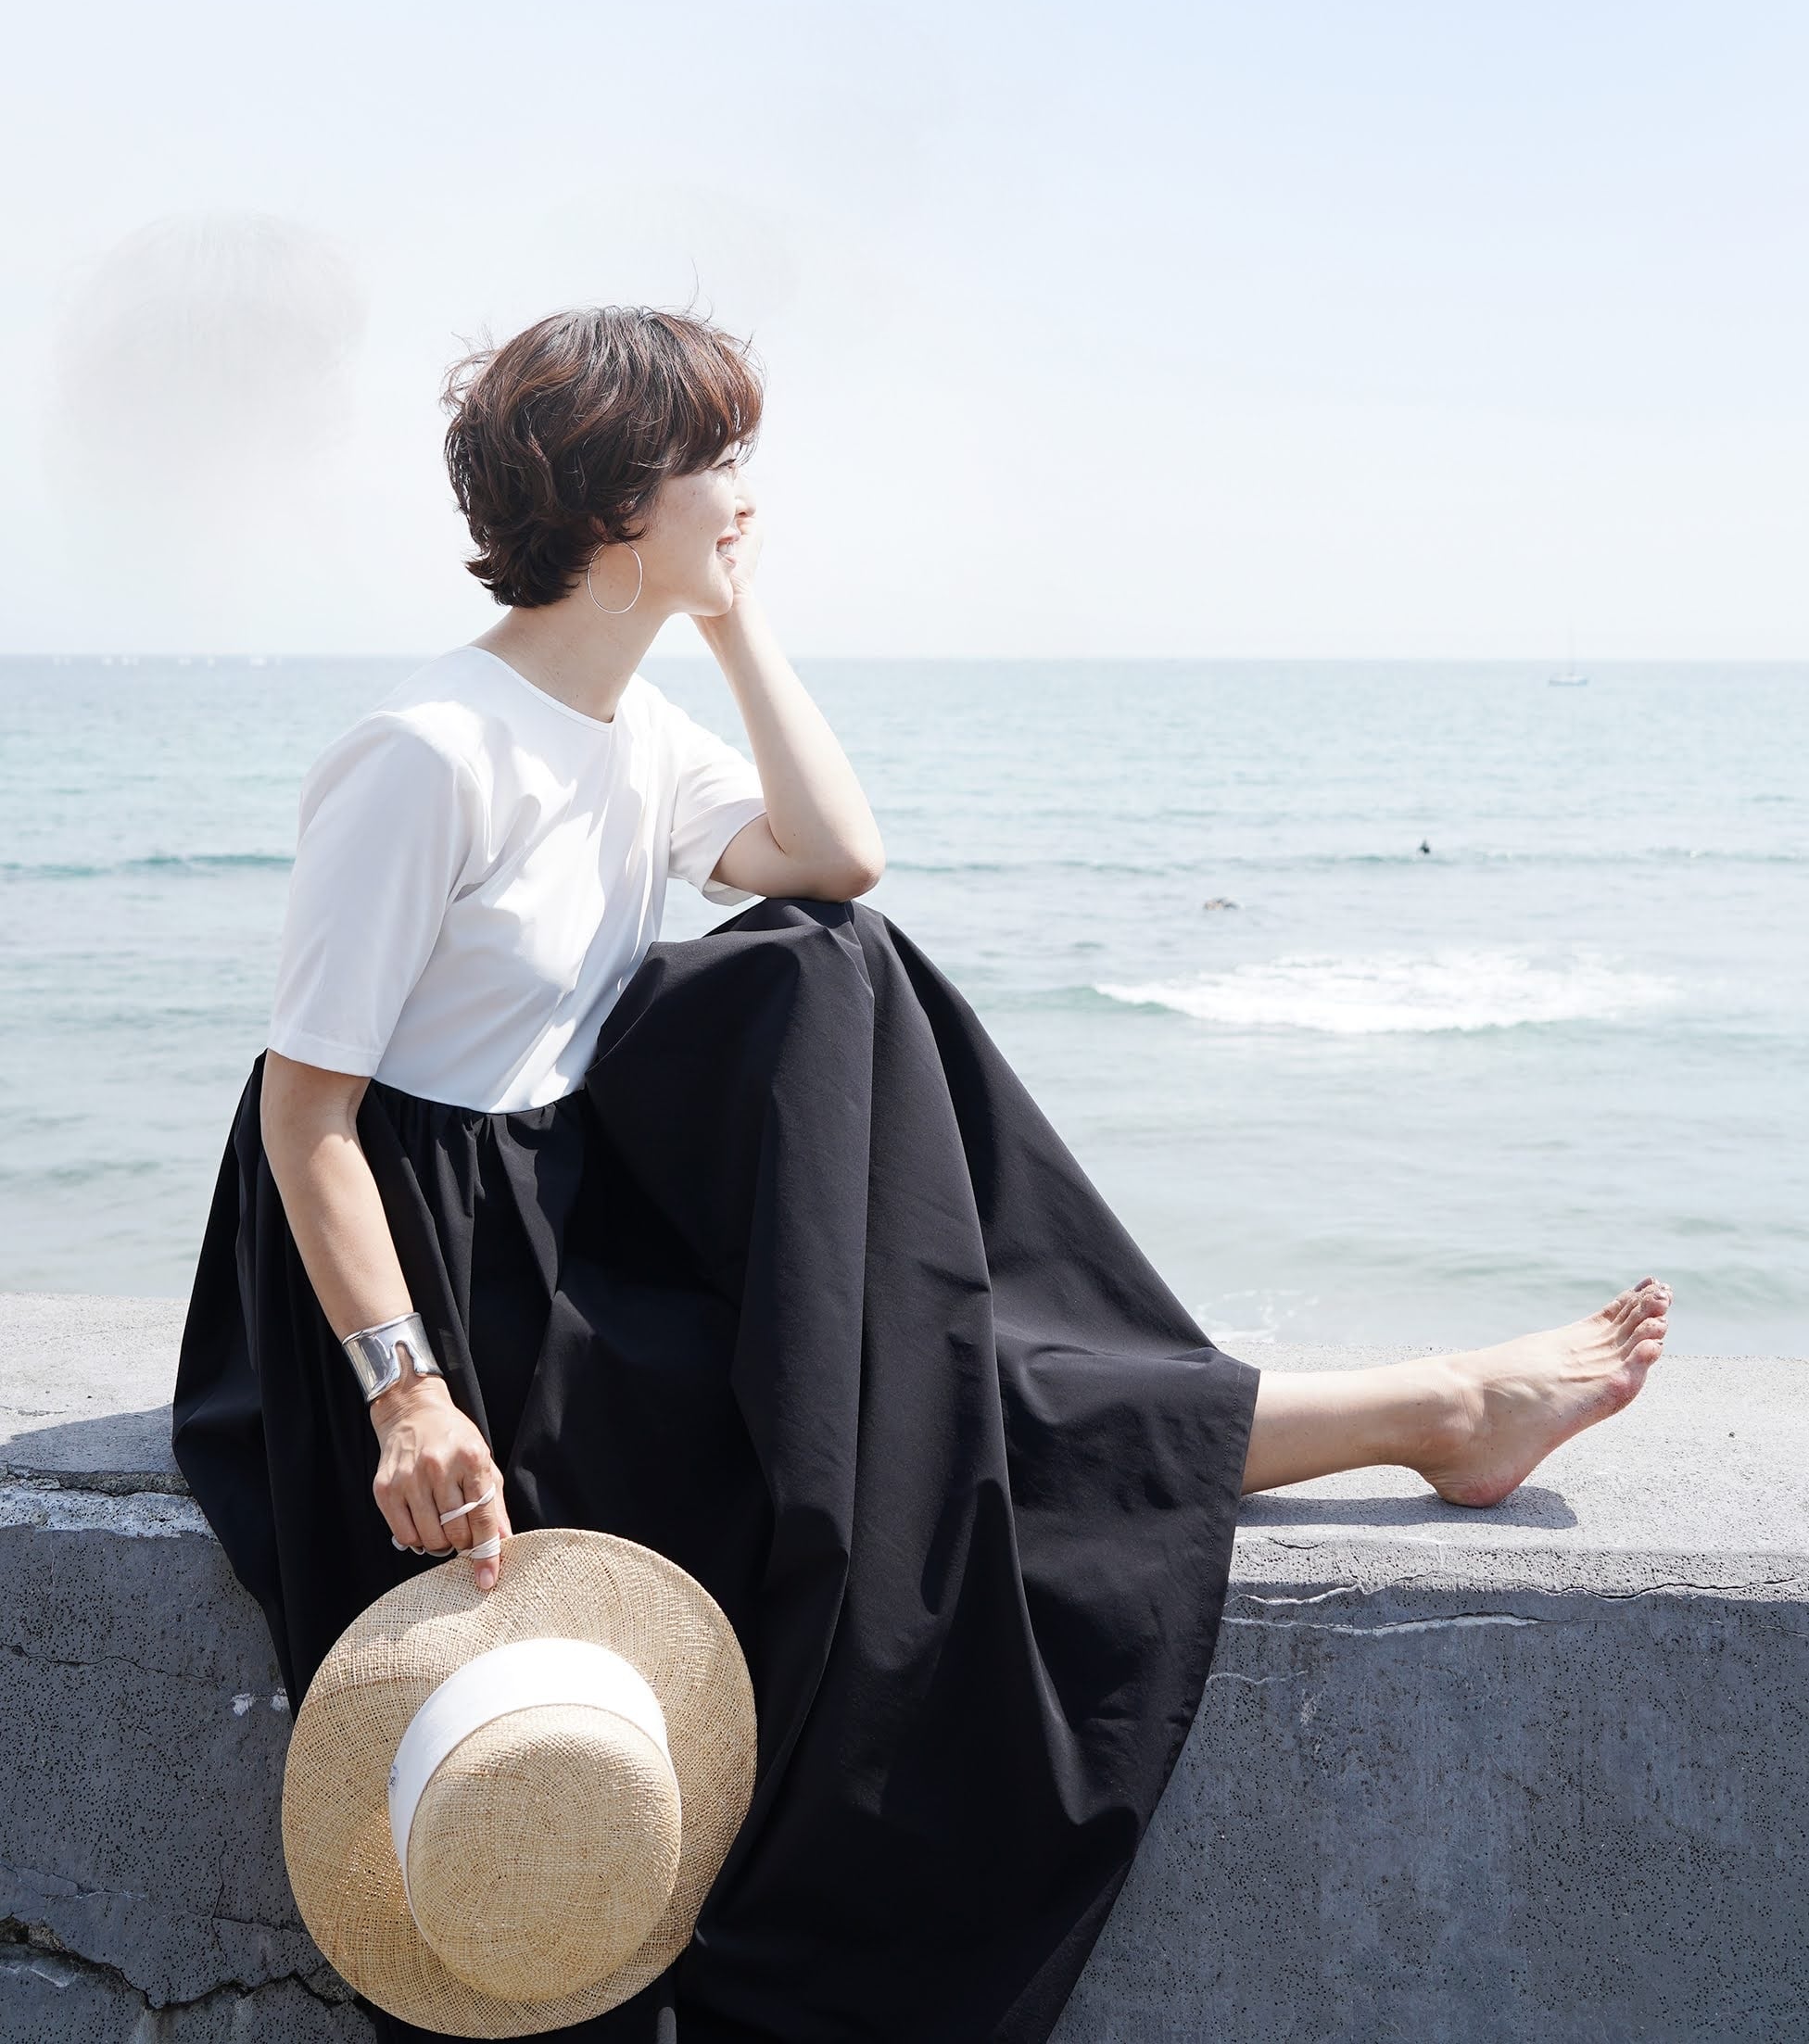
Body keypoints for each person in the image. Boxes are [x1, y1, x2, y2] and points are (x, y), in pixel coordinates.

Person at [173, 305, 1672, 2044]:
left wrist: (734, 628)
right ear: (613, 505)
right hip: (412, 1270)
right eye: (717, 460)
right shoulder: (430, 749)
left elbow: (838, 856)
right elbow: (308, 1117)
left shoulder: (629, 732)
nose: (749, 493)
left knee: (831, 980)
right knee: (896, 1429)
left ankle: (1426, 1410)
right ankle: (1433, 1412)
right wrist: (409, 1396)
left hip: (560, 1213)